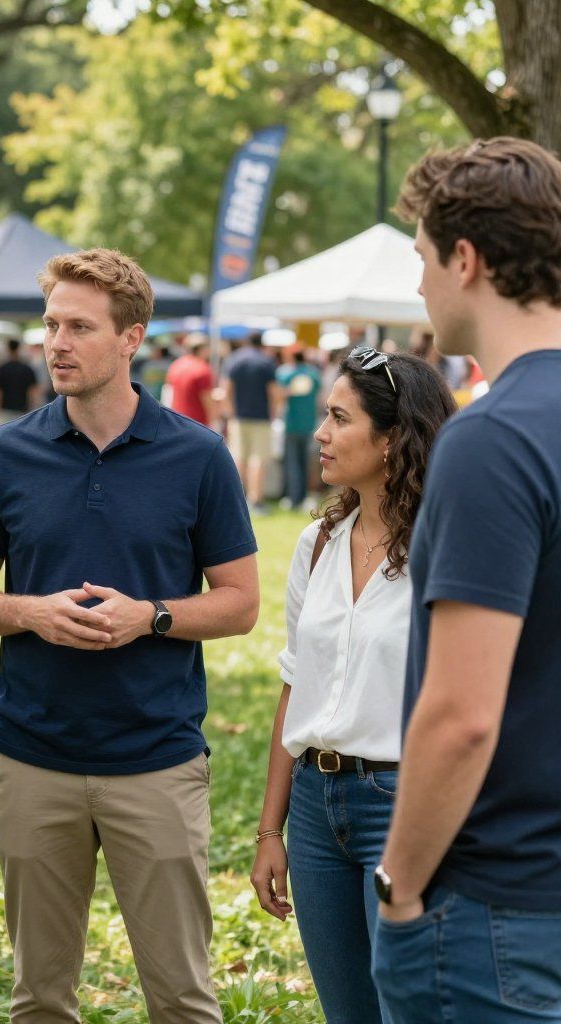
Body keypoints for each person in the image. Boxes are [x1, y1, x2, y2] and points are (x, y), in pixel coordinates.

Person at [0, 248, 260, 1024]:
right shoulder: (4, 452)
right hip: (31, 757)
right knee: (39, 1001)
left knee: (183, 999)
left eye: (79, 327)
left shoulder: (198, 455)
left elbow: (240, 603)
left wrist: (148, 616)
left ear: (131, 339)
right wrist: (31, 612)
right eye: (50, 324)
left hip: (155, 759)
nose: (56, 342)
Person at [369, 138, 561, 1023]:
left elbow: (460, 716)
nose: (418, 287)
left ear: (466, 260)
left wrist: (399, 887)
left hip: (495, 912)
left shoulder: (493, 440)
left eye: (420, 259)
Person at [250, 348, 455, 1024]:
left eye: (339, 418)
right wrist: (269, 830)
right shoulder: (317, 542)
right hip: (313, 806)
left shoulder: (444, 548)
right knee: (347, 1014)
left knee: (410, 1009)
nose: (320, 432)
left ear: (393, 437)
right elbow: (294, 685)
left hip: (402, 801)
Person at [224, 332, 279, 511]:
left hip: (239, 417)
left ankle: (237, 498)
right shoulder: (266, 362)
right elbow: (273, 392)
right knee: (258, 459)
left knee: (239, 458)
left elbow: (226, 389)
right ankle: (255, 499)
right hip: (261, 417)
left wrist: (230, 413)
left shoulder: (234, 360)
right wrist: (274, 413)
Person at [276, 349, 322, 509]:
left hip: (292, 423)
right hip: (309, 423)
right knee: (306, 462)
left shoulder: (286, 374)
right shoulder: (314, 374)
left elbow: (279, 393)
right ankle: (304, 497)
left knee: (292, 463)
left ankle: (293, 498)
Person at [164, 333, 217, 426]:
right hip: (197, 424)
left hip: (177, 420)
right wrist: (213, 423)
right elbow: (207, 401)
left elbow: (168, 393)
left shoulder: (175, 365)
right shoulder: (203, 369)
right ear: (203, 349)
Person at [0, 338, 39, 423]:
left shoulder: (2, 368)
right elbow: (32, 390)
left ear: (8, 349)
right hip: (22, 409)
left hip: (5, 409)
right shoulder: (26, 368)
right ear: (19, 348)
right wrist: (32, 406)